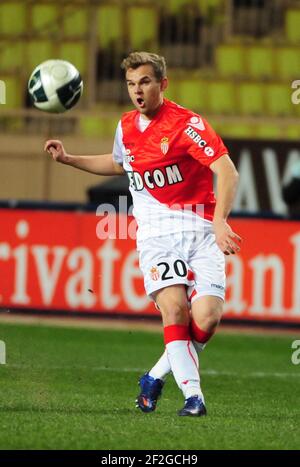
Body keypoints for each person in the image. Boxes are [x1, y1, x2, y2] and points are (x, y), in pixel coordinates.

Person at [44, 51, 241, 417]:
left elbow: (227, 171)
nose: (137, 91)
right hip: (156, 233)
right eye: (132, 84)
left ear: (162, 84)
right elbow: (119, 162)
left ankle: (153, 377)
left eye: (145, 82)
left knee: (207, 320)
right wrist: (70, 159)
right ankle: (194, 398)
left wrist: (220, 221)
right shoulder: (126, 126)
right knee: (175, 309)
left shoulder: (188, 125)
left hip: (201, 229)